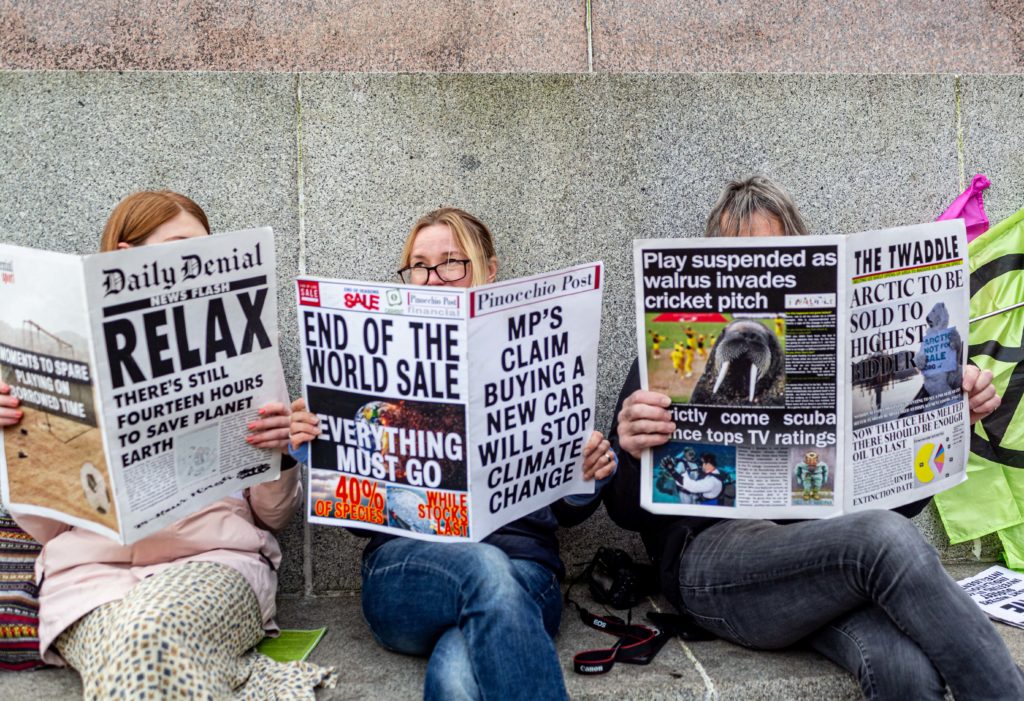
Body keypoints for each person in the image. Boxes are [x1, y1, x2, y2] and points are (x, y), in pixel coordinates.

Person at [604, 175, 1024, 700]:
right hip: (717, 566)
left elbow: (904, 506)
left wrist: (946, 416)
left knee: (904, 671)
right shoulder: (671, 350)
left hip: (827, 566)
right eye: (738, 257)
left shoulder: (833, 348)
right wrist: (629, 447)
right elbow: (624, 514)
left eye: (776, 254)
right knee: (880, 540)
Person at [0, 191, 334, 699]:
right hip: (87, 582)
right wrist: (13, 443)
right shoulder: (58, 353)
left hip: (217, 566)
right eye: (179, 248)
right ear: (126, 255)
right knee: (139, 644)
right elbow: (47, 527)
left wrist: (282, 455)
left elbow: (272, 519)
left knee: (147, 641)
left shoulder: (240, 346)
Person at [289, 207, 616, 701]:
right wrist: (320, 448)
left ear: (489, 268)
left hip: (525, 572)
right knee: (484, 568)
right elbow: (360, 520)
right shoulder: (382, 378)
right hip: (405, 576)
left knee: (460, 670)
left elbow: (570, 512)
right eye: (419, 265)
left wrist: (587, 472)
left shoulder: (532, 355)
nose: (433, 278)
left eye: (451, 263)